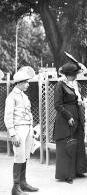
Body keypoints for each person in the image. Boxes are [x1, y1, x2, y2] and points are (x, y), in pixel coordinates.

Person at [4, 67, 39, 195]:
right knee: (19, 157)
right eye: (26, 82)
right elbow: (8, 117)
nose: (28, 84)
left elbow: (28, 113)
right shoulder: (12, 97)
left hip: (27, 128)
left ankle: (23, 183)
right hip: (18, 129)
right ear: (19, 82)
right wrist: (13, 134)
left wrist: (32, 129)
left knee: (25, 156)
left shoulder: (24, 96)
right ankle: (15, 187)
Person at [53, 60, 87, 184]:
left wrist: (80, 101)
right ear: (67, 74)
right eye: (74, 74)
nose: (76, 76)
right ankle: (67, 175)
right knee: (66, 145)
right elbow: (57, 105)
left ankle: (78, 170)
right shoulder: (60, 85)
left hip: (77, 115)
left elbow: (77, 97)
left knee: (77, 142)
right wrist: (68, 116)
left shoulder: (74, 84)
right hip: (65, 119)